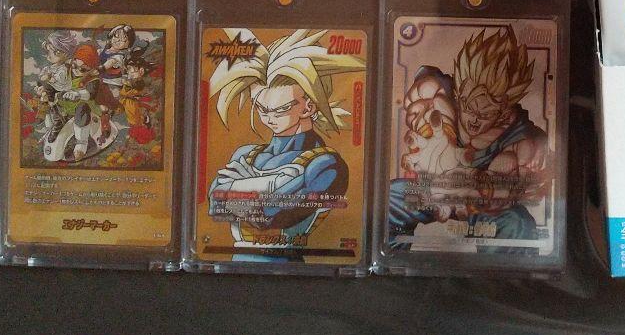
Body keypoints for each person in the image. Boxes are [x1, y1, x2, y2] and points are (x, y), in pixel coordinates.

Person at [388, 26, 549, 249]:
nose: (473, 120)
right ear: (459, 92)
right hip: (436, 190)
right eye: (468, 108)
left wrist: (483, 188)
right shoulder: (440, 94)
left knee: (517, 225)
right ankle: (392, 260)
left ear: (504, 110)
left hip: (483, 204)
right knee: (391, 197)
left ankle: (501, 272)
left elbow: (510, 185)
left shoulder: (520, 139)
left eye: (485, 114)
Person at [207, 29, 362, 259]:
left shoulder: (326, 164)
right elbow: (215, 205)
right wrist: (270, 187)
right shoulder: (245, 154)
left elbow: (270, 215)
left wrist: (240, 186)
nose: (269, 118)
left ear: (308, 107)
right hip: (236, 262)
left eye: (280, 110)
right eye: (261, 109)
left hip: (286, 264)